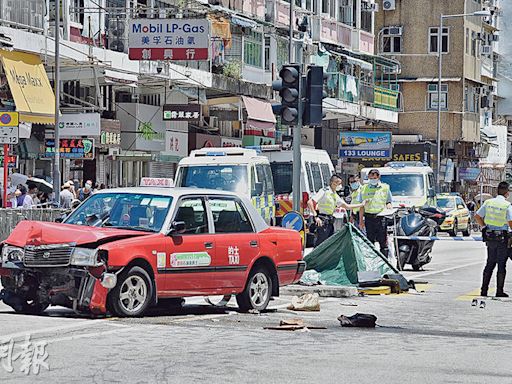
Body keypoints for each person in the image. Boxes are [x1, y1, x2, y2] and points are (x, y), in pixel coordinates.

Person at [474, 181, 512, 297]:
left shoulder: (488, 202)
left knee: (490, 263)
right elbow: (510, 222)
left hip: (490, 237)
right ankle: (499, 291)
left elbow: (477, 216)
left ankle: (484, 290)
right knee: (501, 264)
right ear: (506, 193)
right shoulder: (506, 205)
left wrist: (484, 226)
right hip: (502, 238)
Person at [308, 174, 367, 247]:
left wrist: (361, 205)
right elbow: (310, 202)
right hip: (322, 219)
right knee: (320, 243)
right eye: (339, 184)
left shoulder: (334, 194)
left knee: (328, 244)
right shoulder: (324, 191)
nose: (340, 186)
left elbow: (347, 206)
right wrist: (316, 216)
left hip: (329, 221)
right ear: (333, 183)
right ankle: (315, 258)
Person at [358, 169, 393, 258]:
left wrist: (389, 205)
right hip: (369, 218)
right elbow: (361, 206)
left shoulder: (385, 187)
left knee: (383, 242)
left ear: (378, 177)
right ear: (368, 177)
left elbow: (388, 201)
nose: (373, 179)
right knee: (369, 242)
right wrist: (361, 220)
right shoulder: (363, 188)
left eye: (375, 177)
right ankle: (372, 262)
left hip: (381, 217)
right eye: (371, 177)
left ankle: (384, 262)